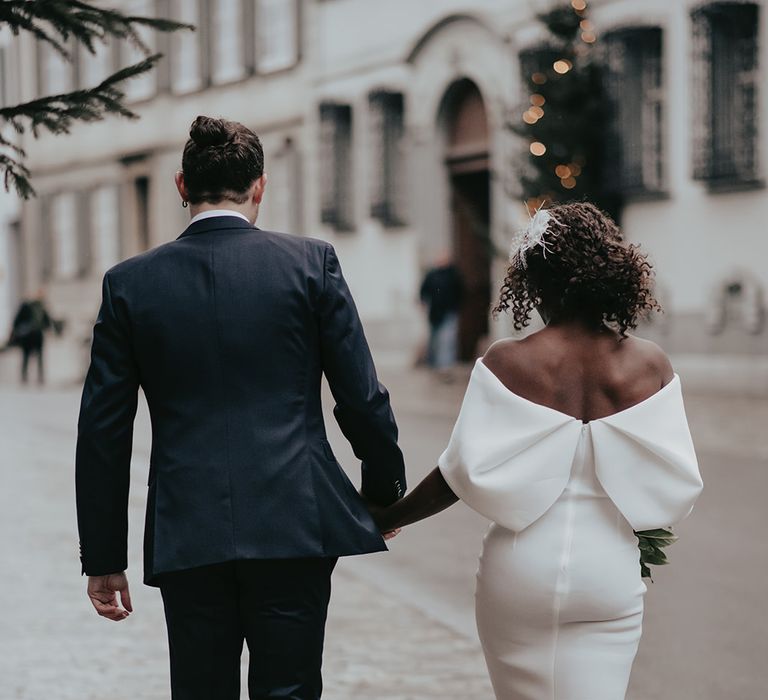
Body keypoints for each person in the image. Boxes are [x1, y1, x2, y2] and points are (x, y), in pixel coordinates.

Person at [75, 115, 406, 700]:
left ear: (182, 186)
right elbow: (361, 397)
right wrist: (382, 491)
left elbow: (104, 431)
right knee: (292, 689)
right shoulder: (311, 264)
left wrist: (103, 555)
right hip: (294, 521)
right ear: (259, 185)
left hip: (188, 527)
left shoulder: (129, 284)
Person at [372, 202, 703, 700]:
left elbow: (457, 474)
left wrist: (388, 516)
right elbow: (671, 478)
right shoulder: (649, 365)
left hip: (520, 569)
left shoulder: (509, 361)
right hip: (607, 569)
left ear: (536, 281)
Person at [419, 253, 464, 374]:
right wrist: (423, 302)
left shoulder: (453, 275)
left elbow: (460, 291)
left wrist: (456, 306)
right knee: (435, 341)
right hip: (434, 313)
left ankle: (445, 366)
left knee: (447, 340)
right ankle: (434, 364)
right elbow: (423, 290)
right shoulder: (432, 275)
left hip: (449, 312)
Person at [8, 289, 56, 384]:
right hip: (28, 335)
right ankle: (25, 376)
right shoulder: (26, 306)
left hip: (38, 335)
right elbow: (17, 320)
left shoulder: (41, 307)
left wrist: (49, 328)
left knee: (39, 357)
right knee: (26, 356)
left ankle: (39, 377)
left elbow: (47, 320)